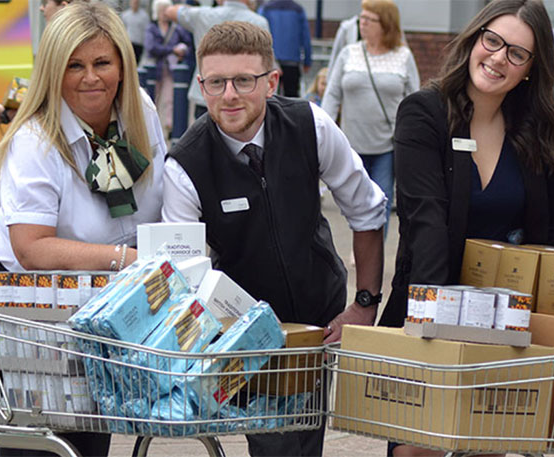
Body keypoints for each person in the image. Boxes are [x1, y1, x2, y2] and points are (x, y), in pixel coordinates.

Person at [162, 21, 386, 456]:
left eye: (244, 80)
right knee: (277, 444)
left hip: (318, 319)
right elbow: (182, 273)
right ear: (201, 85)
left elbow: (367, 209)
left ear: (271, 81)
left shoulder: (310, 126)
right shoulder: (185, 165)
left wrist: (364, 304)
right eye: (216, 82)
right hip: (245, 332)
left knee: (305, 437)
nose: (229, 95)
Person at [381, 2, 554, 453]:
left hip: (509, 323)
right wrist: (431, 329)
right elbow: (425, 218)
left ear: (531, 69)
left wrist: (550, 295)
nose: (497, 58)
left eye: (516, 53)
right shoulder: (424, 113)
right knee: (419, 445)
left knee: (489, 443)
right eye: (492, 41)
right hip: (431, 310)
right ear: (475, 38)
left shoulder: (539, 128)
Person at [0, 3, 165, 455]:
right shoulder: (35, 139)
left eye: (102, 62)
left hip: (106, 298)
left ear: (123, 65)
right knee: (44, 445)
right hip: (36, 301)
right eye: (75, 66)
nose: (91, 78)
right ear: (52, 70)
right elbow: (31, 247)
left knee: (90, 437)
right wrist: (129, 260)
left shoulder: (139, 111)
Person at [321, 0, 419, 235]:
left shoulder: (403, 56)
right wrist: (324, 129)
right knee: (354, 202)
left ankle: (370, 251)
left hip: (387, 144)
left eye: (368, 19)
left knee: (380, 201)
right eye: (360, 18)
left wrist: (413, 136)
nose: (361, 23)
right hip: (350, 143)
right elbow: (333, 94)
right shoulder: (349, 53)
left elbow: (414, 99)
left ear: (385, 24)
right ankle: (359, 243)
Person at [166, 0, 268, 119]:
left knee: (204, 135)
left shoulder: (202, 15)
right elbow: (266, 63)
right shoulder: (259, 22)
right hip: (243, 97)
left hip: (207, 95)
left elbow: (170, 11)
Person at [146, 0, 193, 134]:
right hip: (155, 69)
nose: (164, 13)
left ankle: (170, 128)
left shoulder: (176, 28)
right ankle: (150, 128)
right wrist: (172, 49)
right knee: (150, 99)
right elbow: (151, 47)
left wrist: (182, 50)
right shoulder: (152, 27)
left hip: (171, 69)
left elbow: (188, 45)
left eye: (167, 10)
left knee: (169, 100)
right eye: (162, 10)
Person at [258, 0, 312, 97]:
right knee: (292, 97)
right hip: (292, 60)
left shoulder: (265, 9)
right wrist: (307, 61)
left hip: (271, 61)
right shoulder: (298, 10)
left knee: (269, 95)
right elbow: (306, 37)